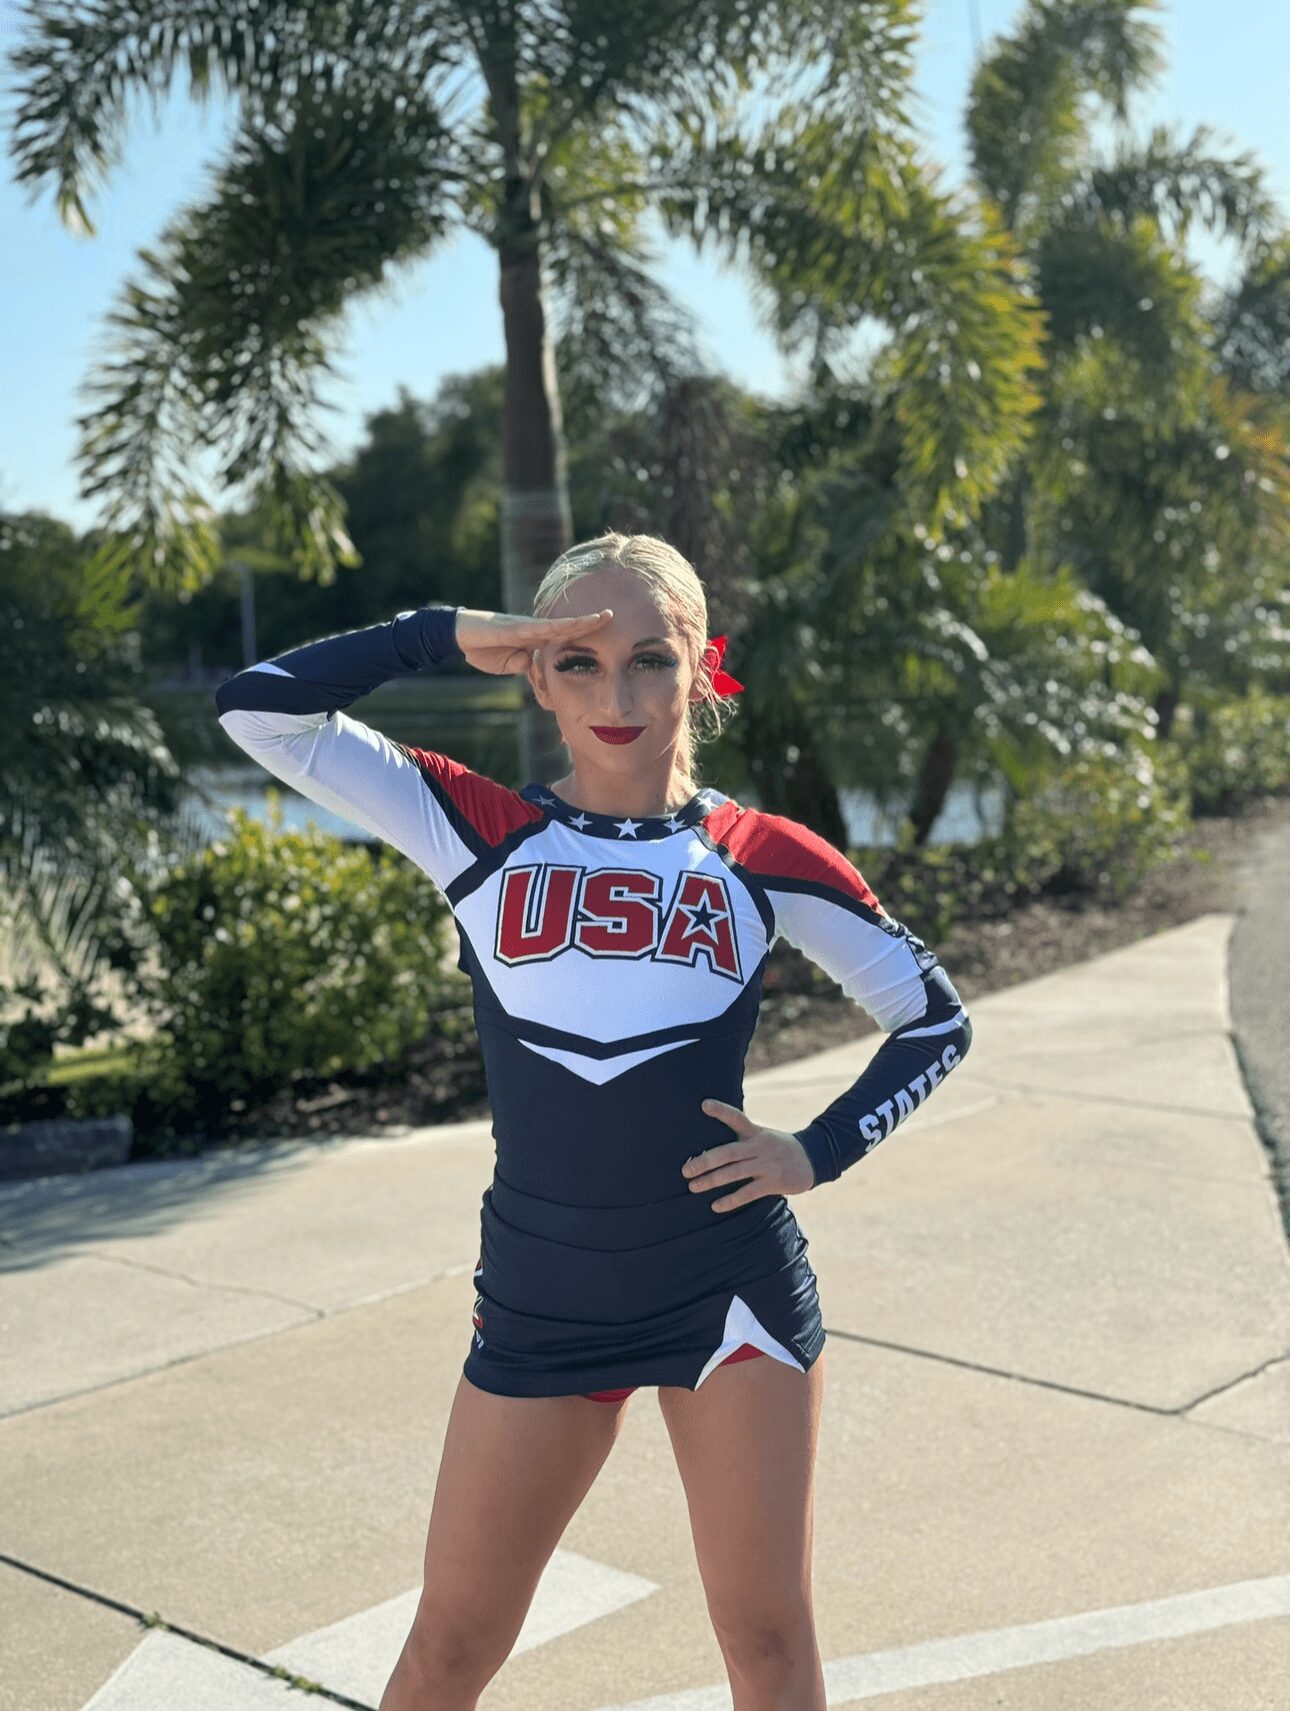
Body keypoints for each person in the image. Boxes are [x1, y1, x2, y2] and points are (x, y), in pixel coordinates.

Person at [214, 531, 972, 1711]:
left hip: (727, 1297)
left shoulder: (759, 854)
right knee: (449, 1645)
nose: (616, 697)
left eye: (651, 660)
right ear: (535, 674)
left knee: (767, 1638)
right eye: (578, 661)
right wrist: (449, 636)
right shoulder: (470, 824)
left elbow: (933, 1021)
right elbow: (259, 707)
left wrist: (815, 1151)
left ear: (701, 669)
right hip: (542, 1298)